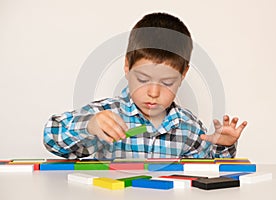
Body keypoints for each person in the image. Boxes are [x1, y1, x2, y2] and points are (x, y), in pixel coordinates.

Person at [43, 12, 247, 159]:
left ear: (183, 75)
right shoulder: (107, 116)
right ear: (126, 67)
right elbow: (52, 137)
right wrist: (89, 126)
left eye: (167, 83)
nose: (153, 92)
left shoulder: (188, 126)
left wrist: (223, 147)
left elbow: (210, 168)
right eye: (142, 80)